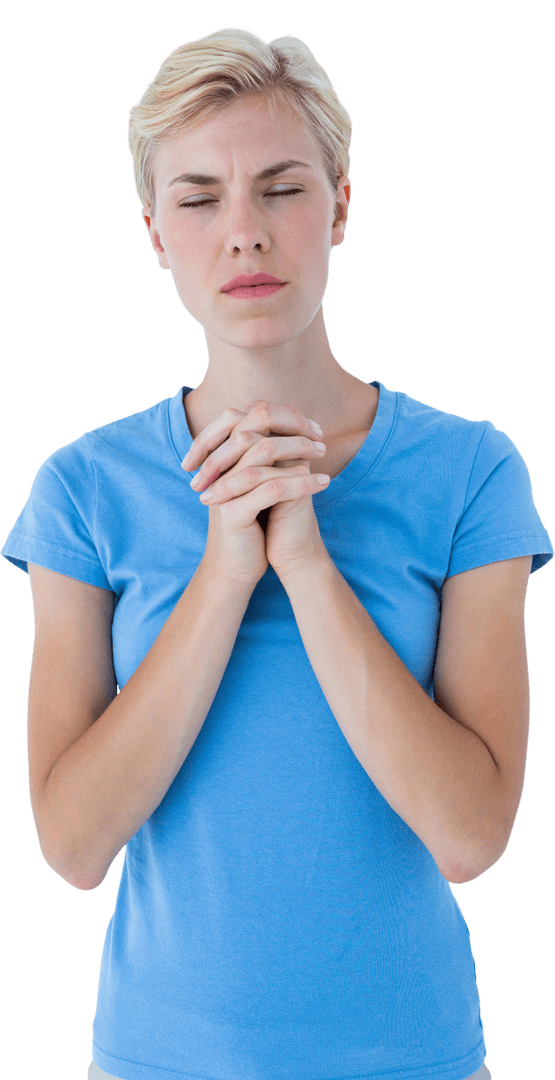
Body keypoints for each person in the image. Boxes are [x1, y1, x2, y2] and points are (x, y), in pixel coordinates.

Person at [1, 23, 552, 1080]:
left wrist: (305, 559)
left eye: (282, 189)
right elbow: (71, 847)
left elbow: (473, 837)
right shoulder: (83, 487)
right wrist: (225, 567)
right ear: (157, 233)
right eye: (200, 198)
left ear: (341, 205)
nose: (243, 233)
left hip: (416, 1061)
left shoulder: (472, 471)